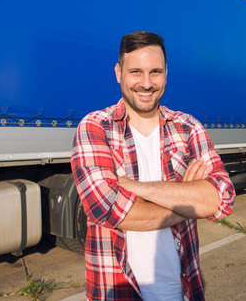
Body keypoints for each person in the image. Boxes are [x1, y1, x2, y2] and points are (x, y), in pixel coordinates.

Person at [71, 31, 235, 301]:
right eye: (136, 71)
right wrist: (188, 200)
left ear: (166, 73)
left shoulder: (188, 127)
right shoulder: (95, 127)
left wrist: (132, 187)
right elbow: (106, 208)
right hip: (117, 293)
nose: (146, 83)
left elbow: (222, 198)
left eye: (155, 72)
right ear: (118, 72)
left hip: (182, 292)